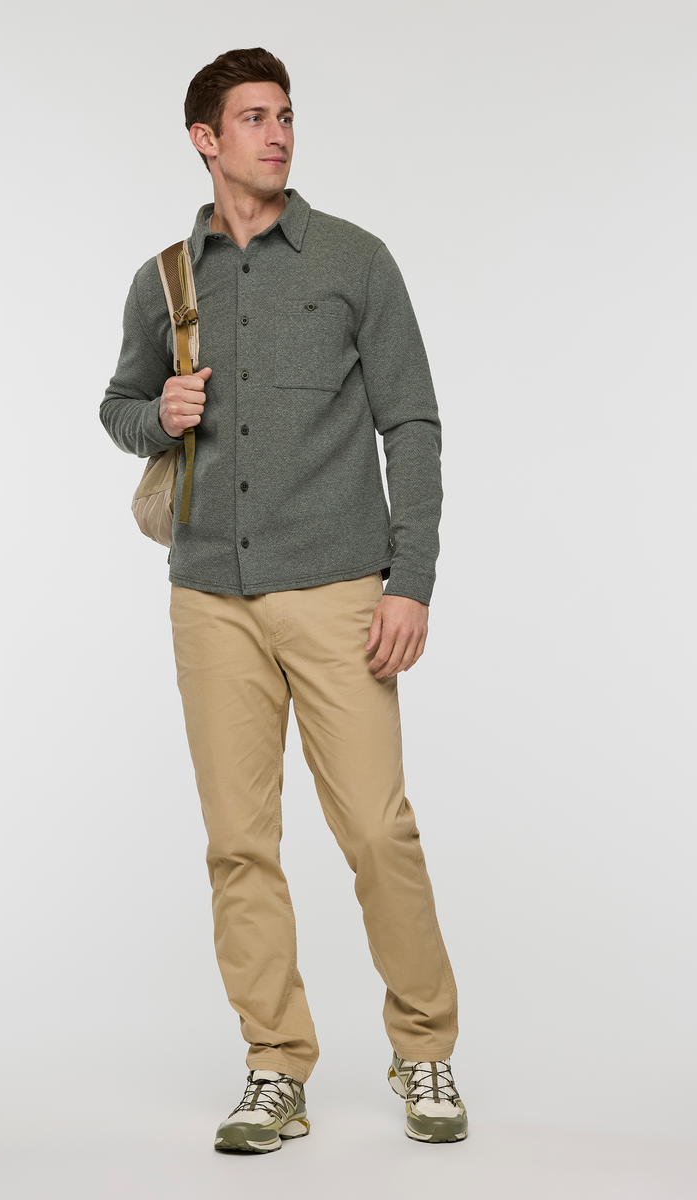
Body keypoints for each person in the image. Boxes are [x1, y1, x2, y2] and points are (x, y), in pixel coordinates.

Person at [100, 46, 466, 1152]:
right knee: (238, 843)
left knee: (378, 830)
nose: (278, 134)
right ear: (205, 140)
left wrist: (411, 580)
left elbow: (412, 422)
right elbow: (119, 405)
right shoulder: (166, 280)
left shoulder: (356, 260)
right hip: (209, 597)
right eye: (255, 118)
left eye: (287, 116)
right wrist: (157, 413)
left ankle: (425, 1049)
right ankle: (274, 1067)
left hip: (342, 590)